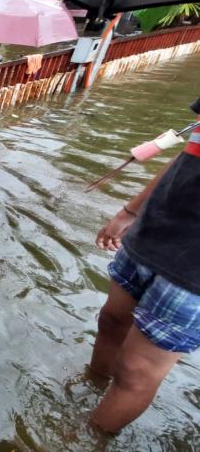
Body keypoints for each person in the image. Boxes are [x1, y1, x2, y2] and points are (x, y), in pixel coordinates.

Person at [90, 112, 200, 433]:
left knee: (135, 371)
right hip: (152, 232)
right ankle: (92, 384)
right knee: (110, 321)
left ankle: (85, 438)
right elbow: (187, 156)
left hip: (192, 271)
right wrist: (130, 211)